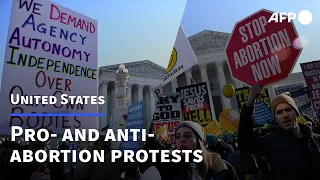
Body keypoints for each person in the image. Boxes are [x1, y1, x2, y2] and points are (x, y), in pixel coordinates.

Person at [238, 84, 320, 180]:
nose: (285, 115)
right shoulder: (270, 142)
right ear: (276, 119)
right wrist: (249, 104)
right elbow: (245, 142)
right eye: (279, 112)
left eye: (288, 109)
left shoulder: (316, 139)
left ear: (297, 113)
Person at [149, 121, 238, 180]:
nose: (181, 140)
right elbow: (156, 150)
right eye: (177, 137)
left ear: (200, 142)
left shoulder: (221, 167)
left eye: (187, 136)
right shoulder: (171, 167)